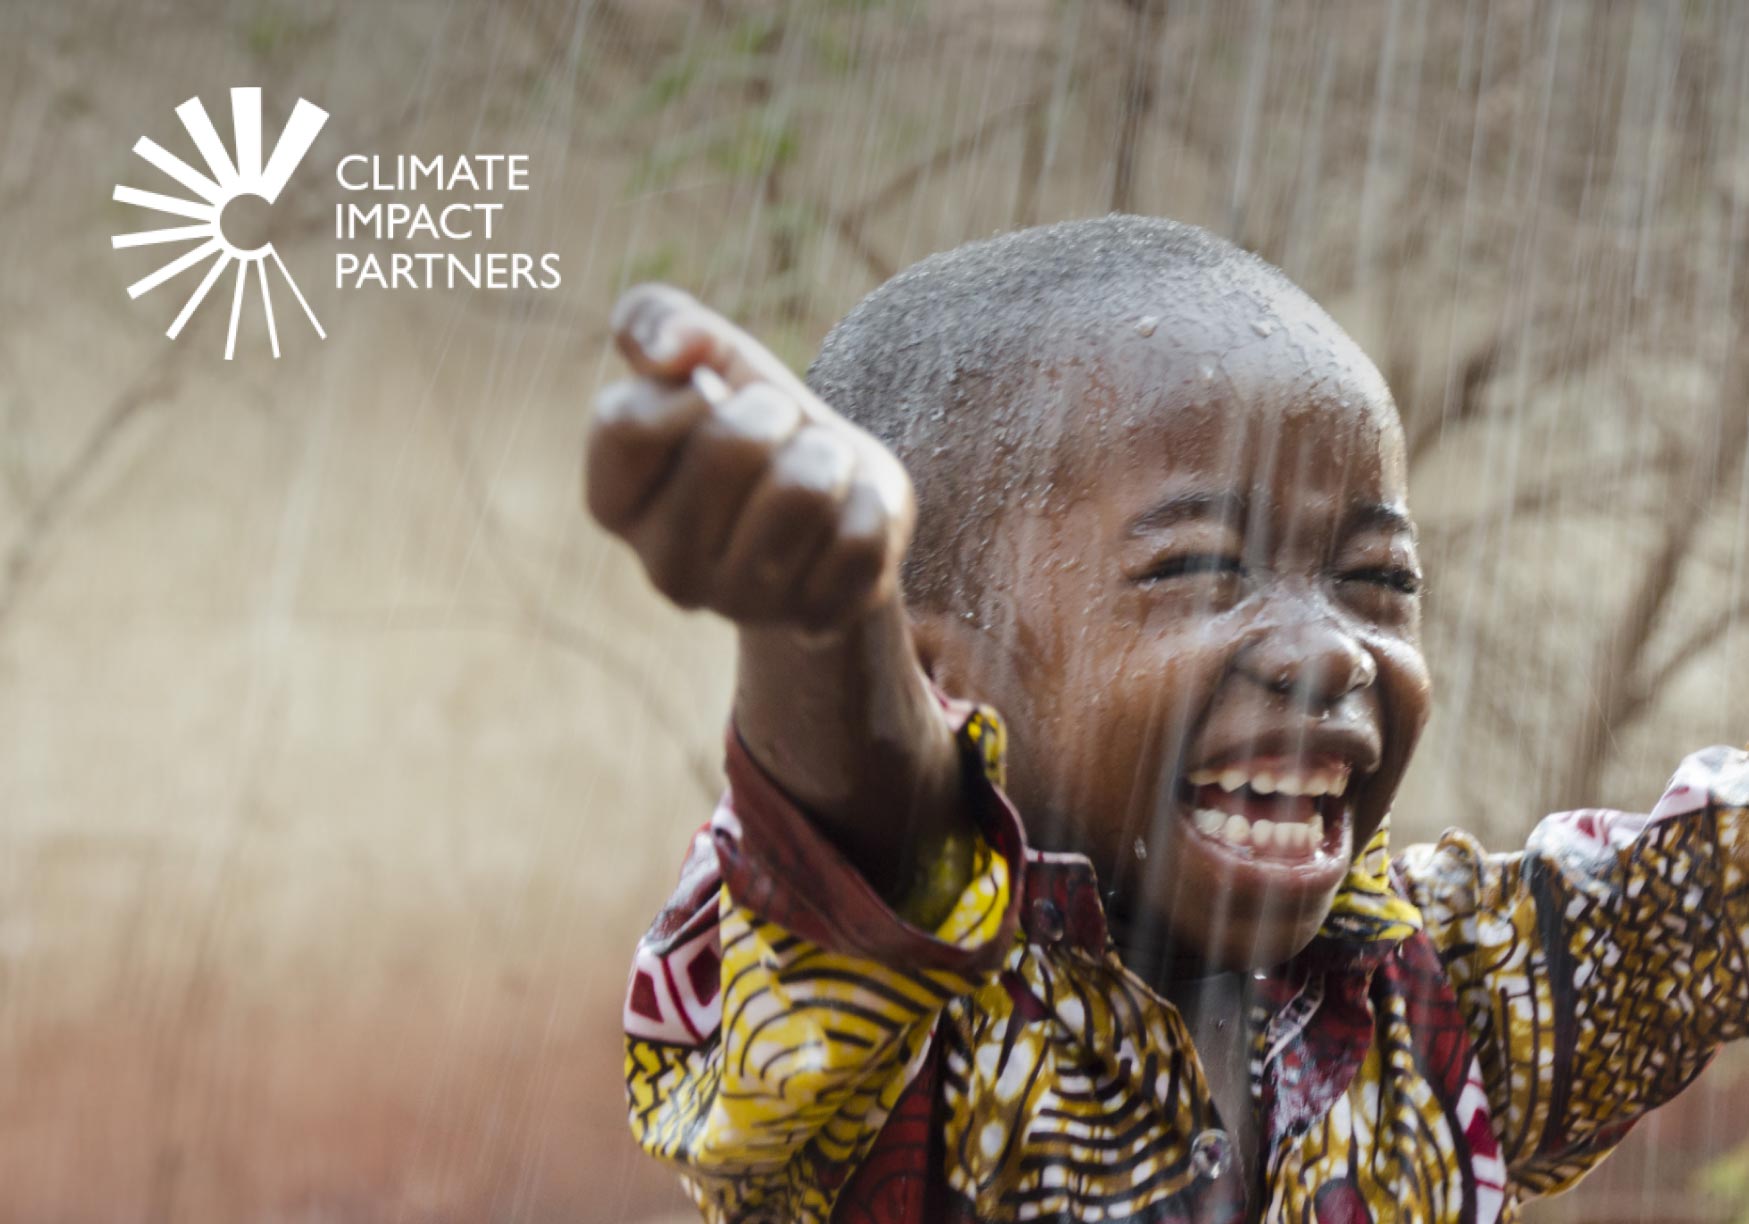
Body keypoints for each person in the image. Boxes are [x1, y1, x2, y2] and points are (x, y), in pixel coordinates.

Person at [587, 215, 1749, 1223]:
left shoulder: (1432, 994)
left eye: (1376, 581)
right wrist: (826, 624)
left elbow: (1705, 903)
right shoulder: (887, 1040)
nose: (1333, 647)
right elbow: (868, 850)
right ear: (944, 681)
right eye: (1202, 566)